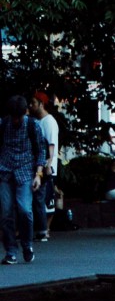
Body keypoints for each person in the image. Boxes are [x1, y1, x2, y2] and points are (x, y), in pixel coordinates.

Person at [1, 96, 44, 264]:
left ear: (25, 112)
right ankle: (11, 251)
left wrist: (38, 175)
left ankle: (27, 245)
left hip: (25, 172)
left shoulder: (33, 126)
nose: (16, 120)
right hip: (5, 171)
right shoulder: (3, 125)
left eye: (18, 116)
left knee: (25, 210)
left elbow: (41, 151)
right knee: (6, 213)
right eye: (13, 116)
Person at [28, 95, 60, 242]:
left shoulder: (49, 122)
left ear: (41, 104)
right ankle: (42, 230)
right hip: (41, 165)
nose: (30, 105)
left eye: (33, 102)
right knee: (40, 199)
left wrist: (48, 165)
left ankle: (43, 230)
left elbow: (51, 145)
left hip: (46, 167)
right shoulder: (39, 121)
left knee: (43, 199)